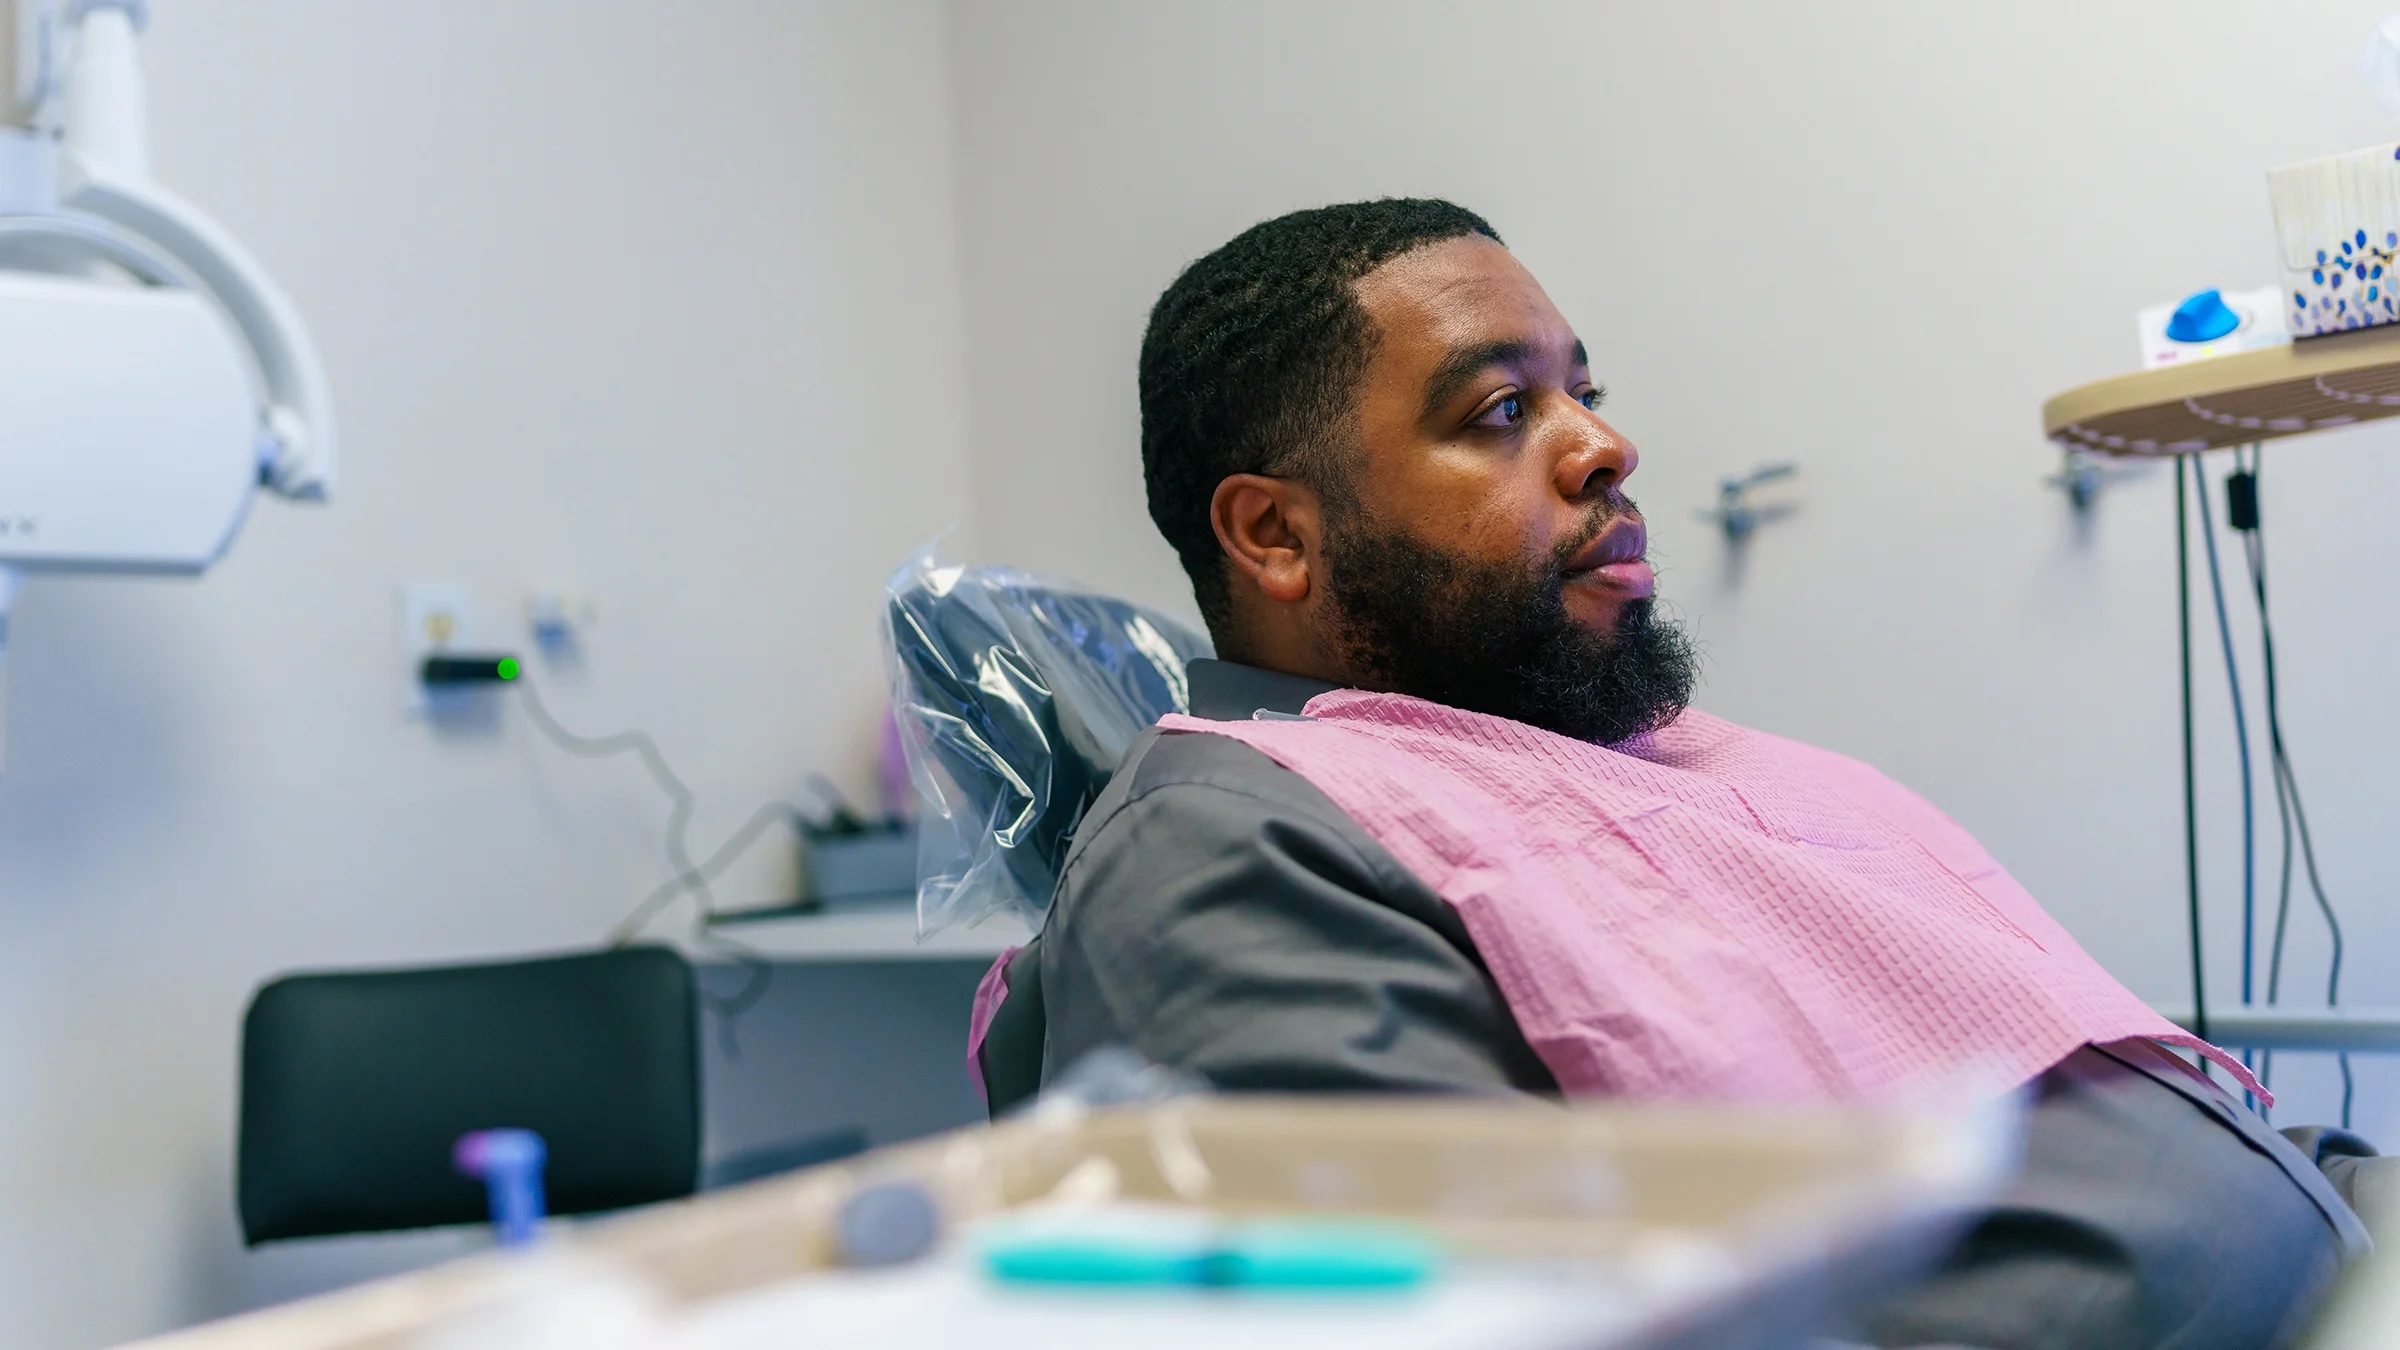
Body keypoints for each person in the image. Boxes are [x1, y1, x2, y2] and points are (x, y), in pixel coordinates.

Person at [993, 199, 2365, 1348]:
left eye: (1583, 392)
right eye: (1502, 409)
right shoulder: (1227, 844)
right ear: (1278, 533)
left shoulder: (1633, 758)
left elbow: (2082, 1080)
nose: (1604, 444)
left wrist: (2331, 1190)